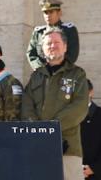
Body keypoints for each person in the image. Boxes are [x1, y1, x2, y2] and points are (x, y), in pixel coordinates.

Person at [22, 27, 89, 180]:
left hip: (68, 148)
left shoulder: (77, 74)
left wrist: (52, 129)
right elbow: (26, 106)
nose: (53, 46)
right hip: (39, 148)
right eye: (48, 44)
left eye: (57, 42)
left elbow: (79, 107)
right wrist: (39, 131)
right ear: (43, 50)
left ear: (65, 47)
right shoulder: (36, 77)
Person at [27, 0, 80, 71]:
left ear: (59, 13)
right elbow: (31, 54)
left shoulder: (69, 30)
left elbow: (72, 53)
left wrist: (58, 68)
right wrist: (41, 69)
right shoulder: (38, 32)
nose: (48, 15)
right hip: (42, 73)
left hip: (63, 72)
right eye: (45, 13)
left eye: (51, 12)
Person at [80, 81, 101, 180]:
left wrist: (93, 168)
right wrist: (77, 168)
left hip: (99, 174)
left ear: (91, 92)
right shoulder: (69, 117)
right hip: (73, 172)